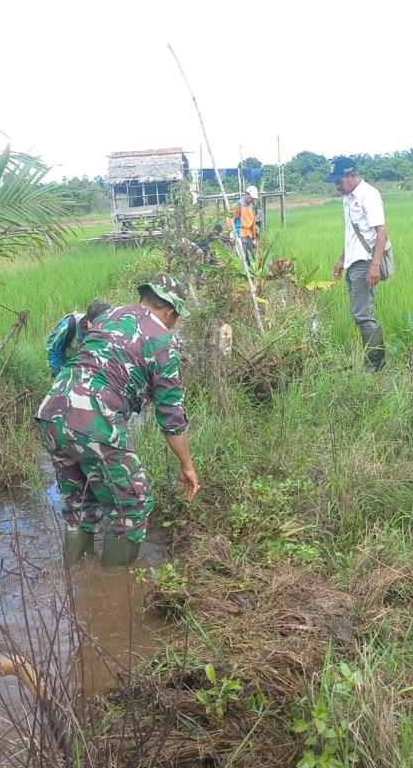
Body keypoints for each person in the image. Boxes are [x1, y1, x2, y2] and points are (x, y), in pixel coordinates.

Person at [35, 274, 200, 566]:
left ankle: (77, 583)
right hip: (93, 421)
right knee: (132, 507)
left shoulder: (110, 315)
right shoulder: (162, 340)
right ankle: (113, 592)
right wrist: (187, 466)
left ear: (144, 297)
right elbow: (171, 416)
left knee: (80, 507)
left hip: (51, 412)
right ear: (171, 311)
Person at [328, 156, 388, 370]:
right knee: (359, 313)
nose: (337, 185)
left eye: (339, 181)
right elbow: (353, 233)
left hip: (365, 262)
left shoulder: (368, 195)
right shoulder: (348, 197)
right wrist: (341, 259)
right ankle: (372, 362)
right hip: (353, 263)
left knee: (363, 315)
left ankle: (375, 366)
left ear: (351, 175)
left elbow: (381, 231)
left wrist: (375, 265)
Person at [45, 298, 111, 375]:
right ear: (88, 321)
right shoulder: (67, 327)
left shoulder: (107, 329)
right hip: (66, 366)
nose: (100, 329)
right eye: (97, 326)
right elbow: (52, 351)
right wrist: (60, 375)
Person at [232, 185, 259, 268]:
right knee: (241, 259)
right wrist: (231, 232)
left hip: (249, 236)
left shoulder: (252, 208)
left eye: (253, 199)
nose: (252, 200)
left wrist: (254, 238)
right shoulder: (237, 205)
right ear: (246, 194)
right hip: (240, 235)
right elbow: (230, 218)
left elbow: (253, 224)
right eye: (251, 198)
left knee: (250, 259)